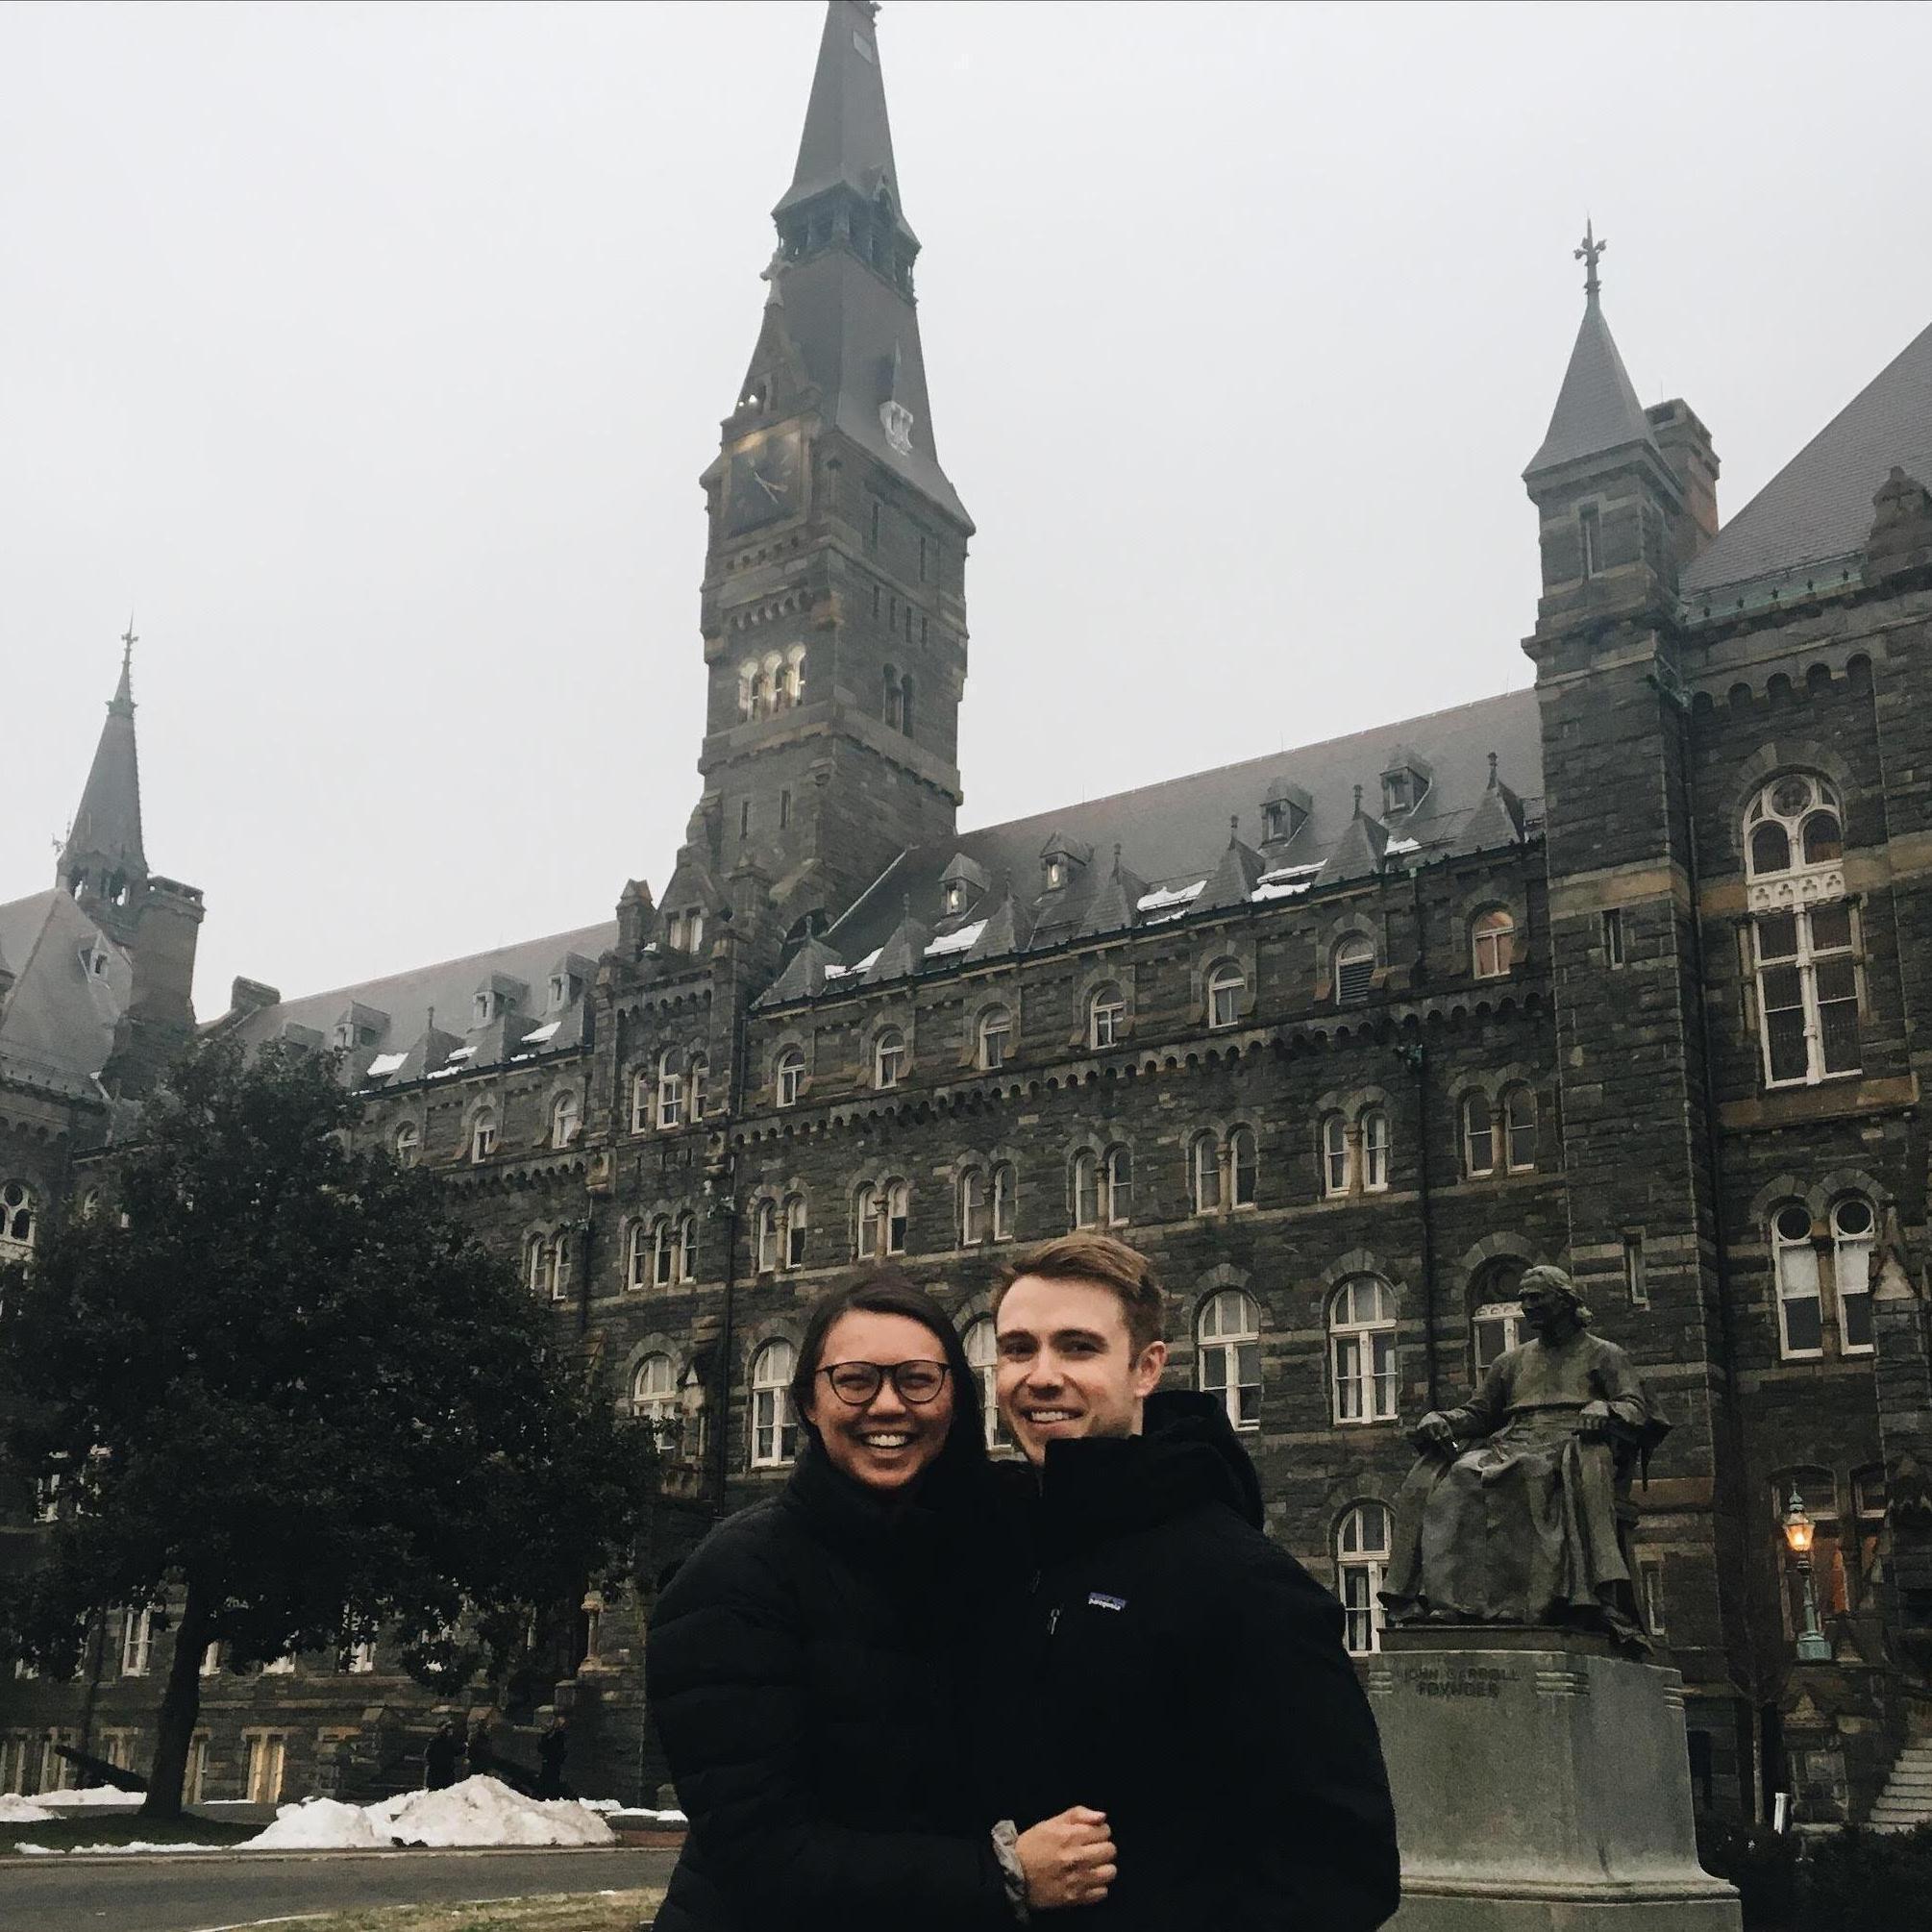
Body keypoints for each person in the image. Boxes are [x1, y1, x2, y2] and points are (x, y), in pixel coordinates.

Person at [647, 1268, 1116, 1931]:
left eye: (918, 1379)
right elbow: (763, 1857)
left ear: (955, 1398)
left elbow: (1148, 1500)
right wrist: (1002, 1873)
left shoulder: (998, 1537)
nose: (889, 1405)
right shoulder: (734, 1580)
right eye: (856, 1380)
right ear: (808, 1402)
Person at [981, 1232, 1400, 1930]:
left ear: (1146, 1369)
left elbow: (1339, 1872)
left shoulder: (1243, 1584)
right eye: (1019, 1348)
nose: (1042, 1375)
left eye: (1078, 1347)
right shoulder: (1012, 1554)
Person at [1380, 1264, 1669, 1645]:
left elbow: (1637, 1407)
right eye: (1523, 1299)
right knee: (1459, 1478)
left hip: (1571, 1443)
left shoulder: (1604, 1355)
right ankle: (1453, 1604)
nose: (1526, 1306)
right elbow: (1480, 1414)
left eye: (1536, 1297)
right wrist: (1443, 1419)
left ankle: (1551, 1603)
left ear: (1565, 1301)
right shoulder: (1510, 1362)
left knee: (1527, 1476)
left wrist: (1606, 1410)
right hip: (1511, 1440)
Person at [536, 1715, 570, 1799]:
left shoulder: (561, 1736)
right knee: (546, 1779)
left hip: (554, 1762)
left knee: (552, 1780)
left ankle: (550, 1796)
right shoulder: (550, 1734)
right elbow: (542, 1746)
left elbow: (561, 1749)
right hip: (548, 1761)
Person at [423, 1718, 460, 1792]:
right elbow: (456, 1751)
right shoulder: (449, 1742)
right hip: (444, 1774)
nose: (451, 1732)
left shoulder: (434, 1741)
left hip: (436, 1775)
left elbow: (427, 1755)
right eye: (450, 1730)